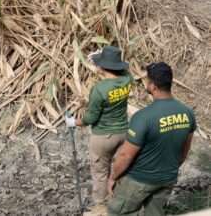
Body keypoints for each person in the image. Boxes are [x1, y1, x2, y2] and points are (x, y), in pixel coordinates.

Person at [107, 62, 196, 216]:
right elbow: (185, 149)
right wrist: (170, 169)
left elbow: (125, 155)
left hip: (140, 180)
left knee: (117, 211)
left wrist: (113, 177)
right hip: (168, 178)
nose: (146, 83)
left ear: (153, 86)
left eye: (147, 80)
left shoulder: (143, 117)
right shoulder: (187, 113)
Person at [65, 46, 133, 213]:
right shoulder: (127, 80)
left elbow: (90, 119)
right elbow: (125, 71)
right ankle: (119, 199)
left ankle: (101, 206)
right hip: (124, 132)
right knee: (121, 167)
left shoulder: (99, 89)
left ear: (102, 67)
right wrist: (98, 58)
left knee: (100, 172)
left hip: (103, 137)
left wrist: (73, 122)